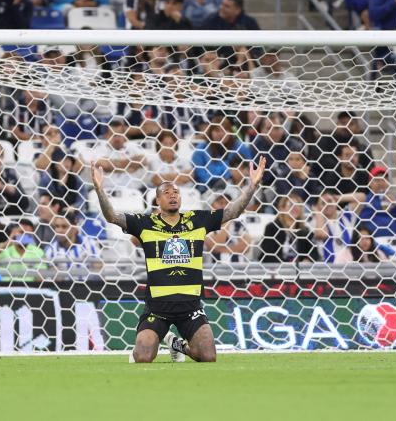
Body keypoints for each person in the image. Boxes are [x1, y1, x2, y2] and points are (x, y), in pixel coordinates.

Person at [91, 154, 266, 363]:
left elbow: (232, 212)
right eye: (166, 193)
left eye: (176, 192)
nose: (173, 195)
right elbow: (112, 217)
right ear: (158, 200)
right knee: (143, 357)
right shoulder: (145, 222)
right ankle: (159, 338)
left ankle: (176, 345)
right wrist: (100, 190)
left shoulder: (197, 220)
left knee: (208, 357)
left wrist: (252, 186)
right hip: (157, 308)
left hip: (190, 307)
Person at [259, 193, 319, 263]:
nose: (295, 208)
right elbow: (268, 255)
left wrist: (307, 260)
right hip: (276, 270)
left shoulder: (305, 231)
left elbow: (314, 254)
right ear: (282, 208)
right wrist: (288, 264)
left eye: (298, 205)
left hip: (299, 271)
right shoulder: (272, 228)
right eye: (291, 205)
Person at [0, 141, 30, 221]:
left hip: (14, 219)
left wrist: (11, 192)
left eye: (1, 155)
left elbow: (25, 204)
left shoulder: (9, 175)